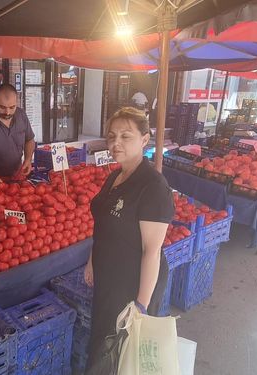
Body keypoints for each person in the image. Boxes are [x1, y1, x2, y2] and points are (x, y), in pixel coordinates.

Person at [83, 107, 175, 370]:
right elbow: (103, 224)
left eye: (126, 136)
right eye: (112, 136)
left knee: (123, 352)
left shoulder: (153, 187)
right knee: (104, 341)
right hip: (109, 274)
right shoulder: (116, 175)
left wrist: (141, 306)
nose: (116, 143)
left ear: (145, 139)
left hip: (133, 281)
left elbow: (152, 251)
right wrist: (92, 260)